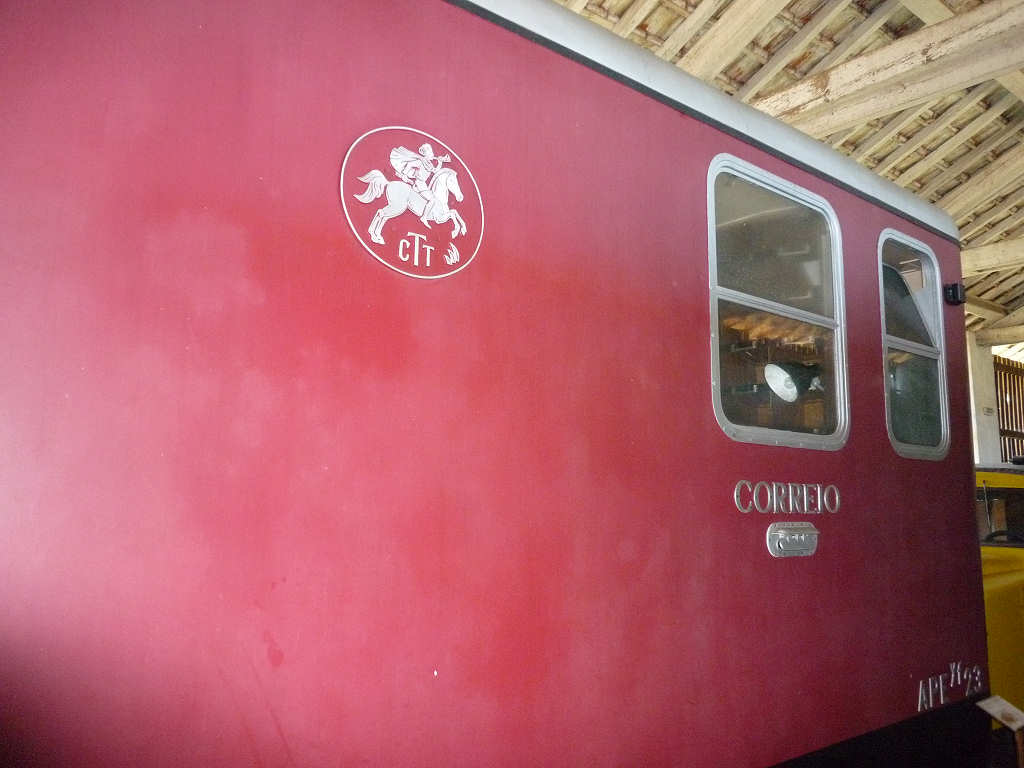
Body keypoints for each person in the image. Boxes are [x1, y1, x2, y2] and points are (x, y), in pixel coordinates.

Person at [389, 143, 450, 226]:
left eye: (432, 152)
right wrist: (404, 174)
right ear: (425, 154)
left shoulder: (429, 164)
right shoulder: (420, 162)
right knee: (433, 200)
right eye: (430, 153)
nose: (432, 154)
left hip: (423, 185)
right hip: (419, 184)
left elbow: (435, 171)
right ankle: (424, 217)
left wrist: (440, 162)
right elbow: (410, 164)